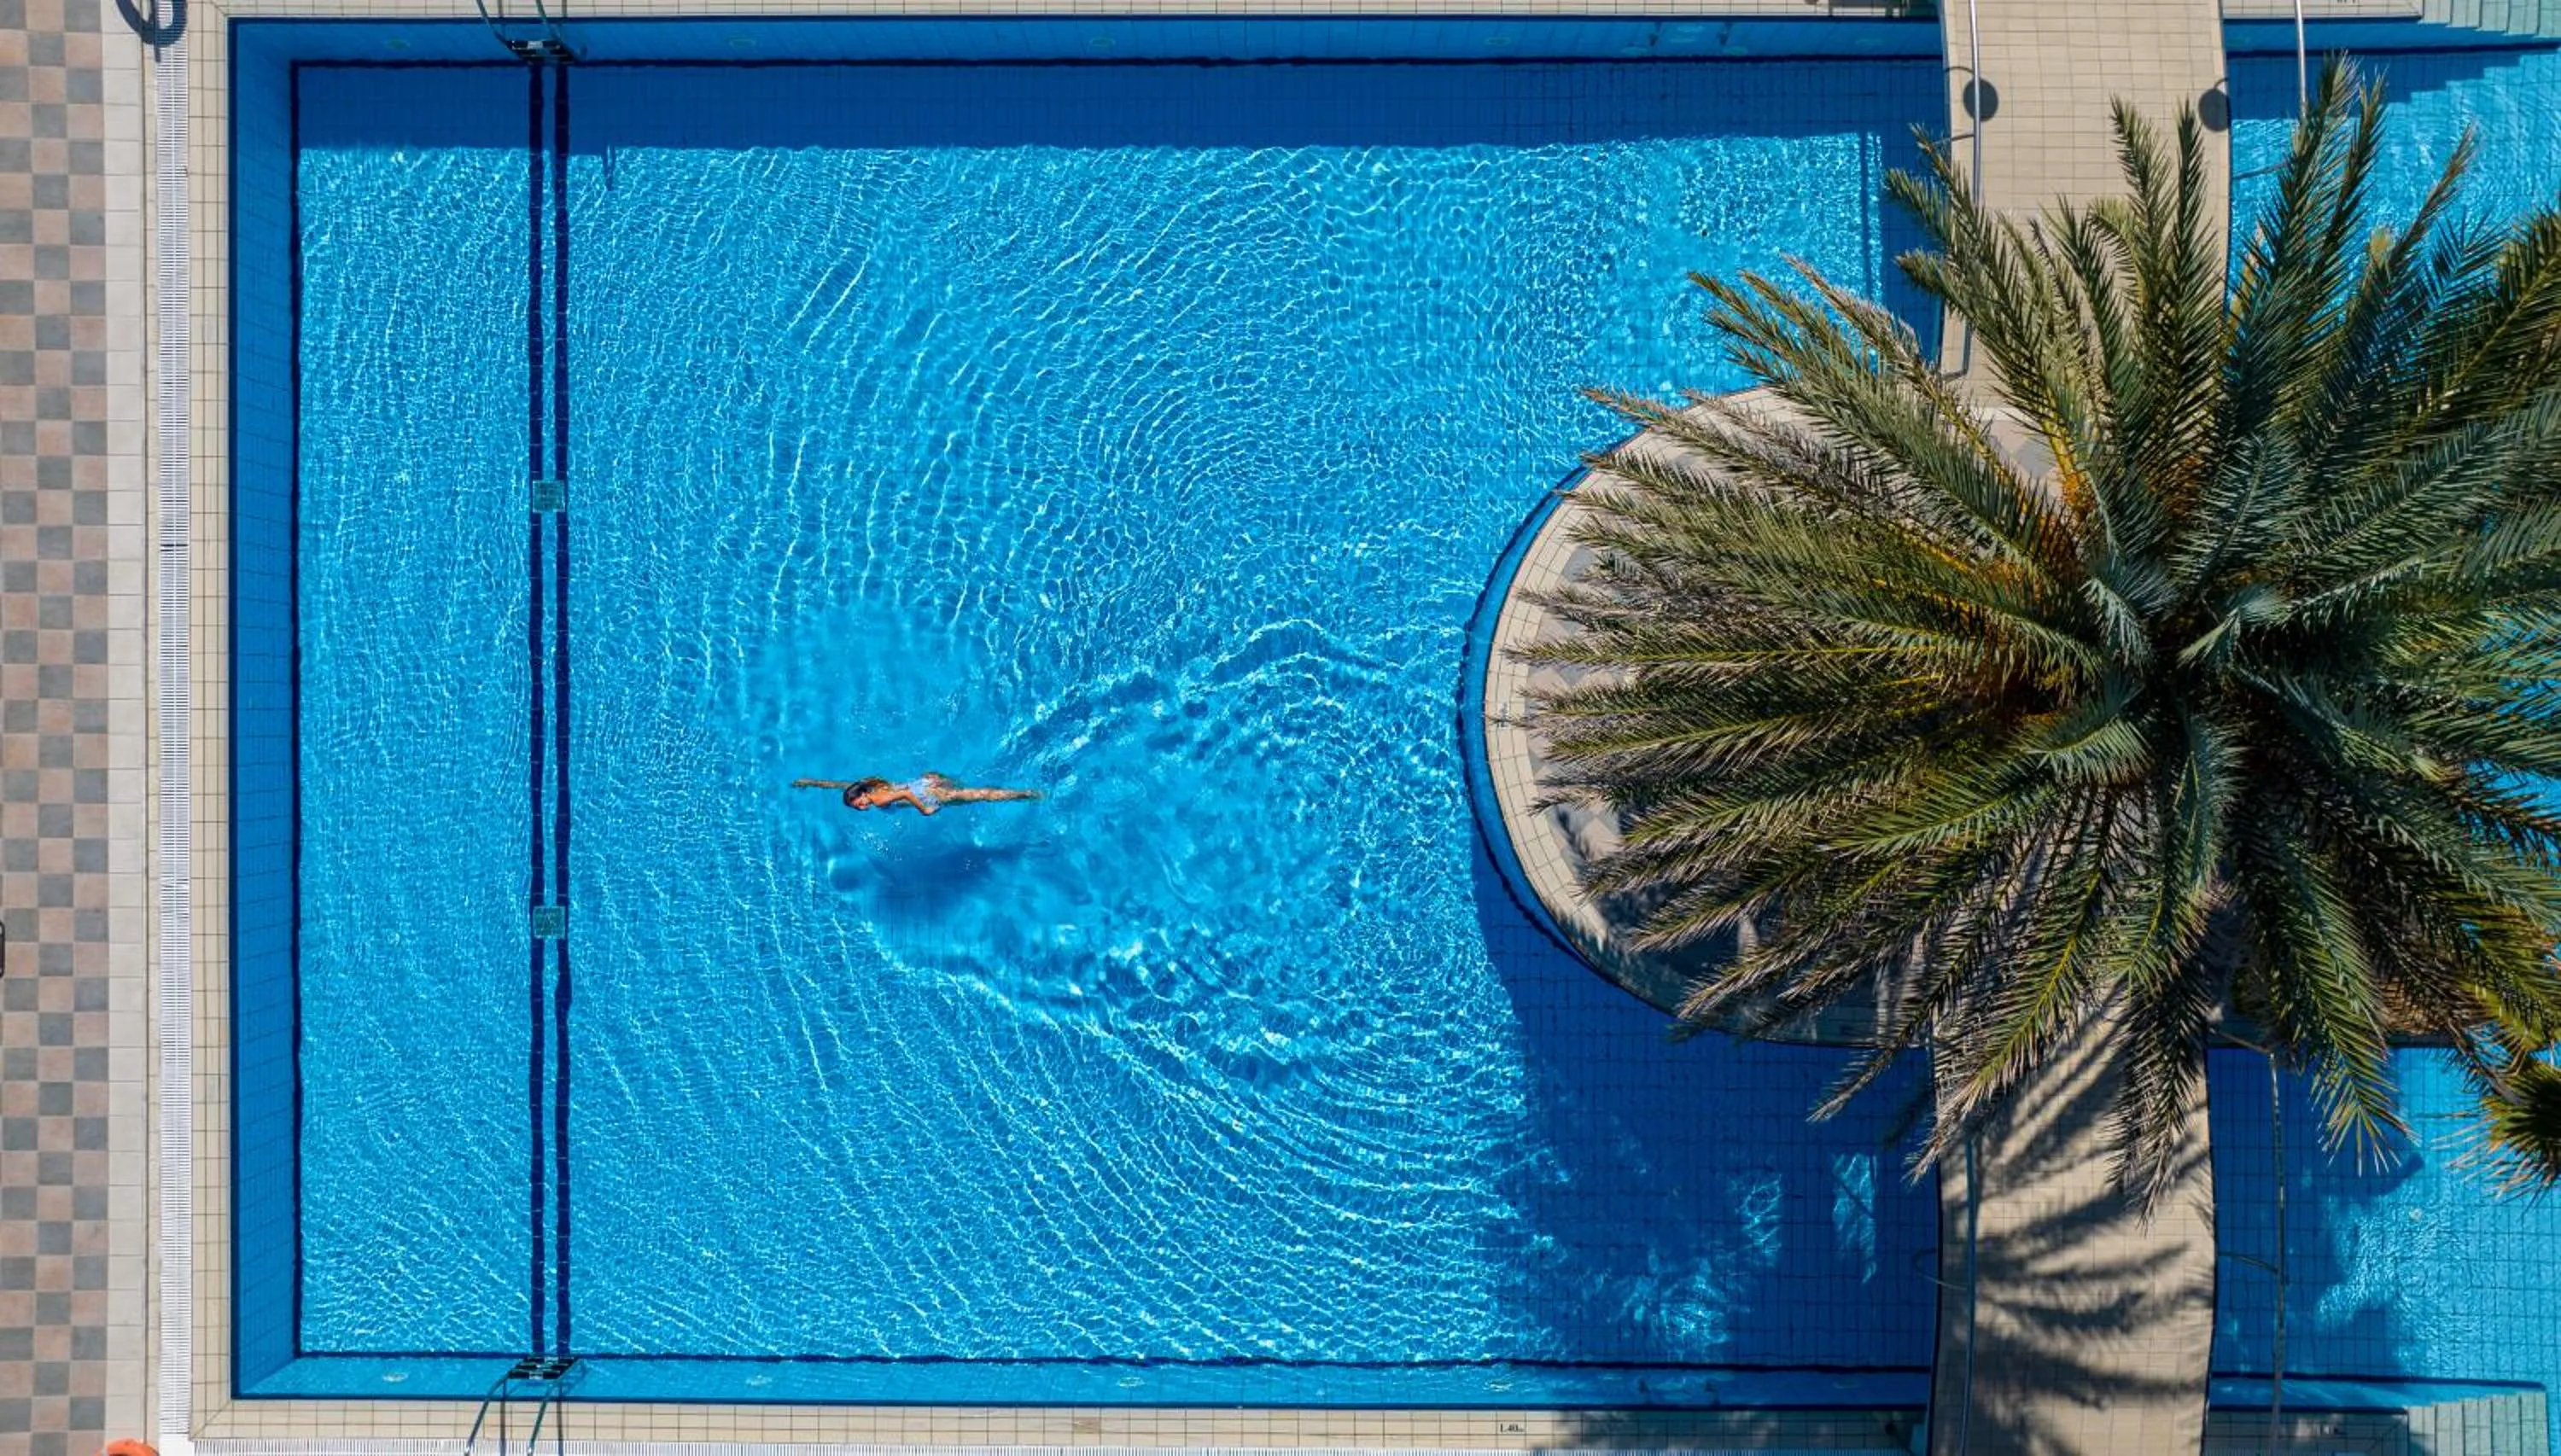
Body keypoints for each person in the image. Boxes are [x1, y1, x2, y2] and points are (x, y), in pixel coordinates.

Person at [793, 773, 1041, 816]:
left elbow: (906, 792)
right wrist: (812, 783)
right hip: (926, 780)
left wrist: (925, 810)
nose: (860, 807)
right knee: (970, 791)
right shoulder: (869, 787)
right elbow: (839, 785)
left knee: (980, 795)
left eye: (858, 803)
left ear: (864, 795)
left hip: (927, 794)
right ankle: (1023, 794)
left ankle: (1026, 794)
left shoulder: (877, 798)